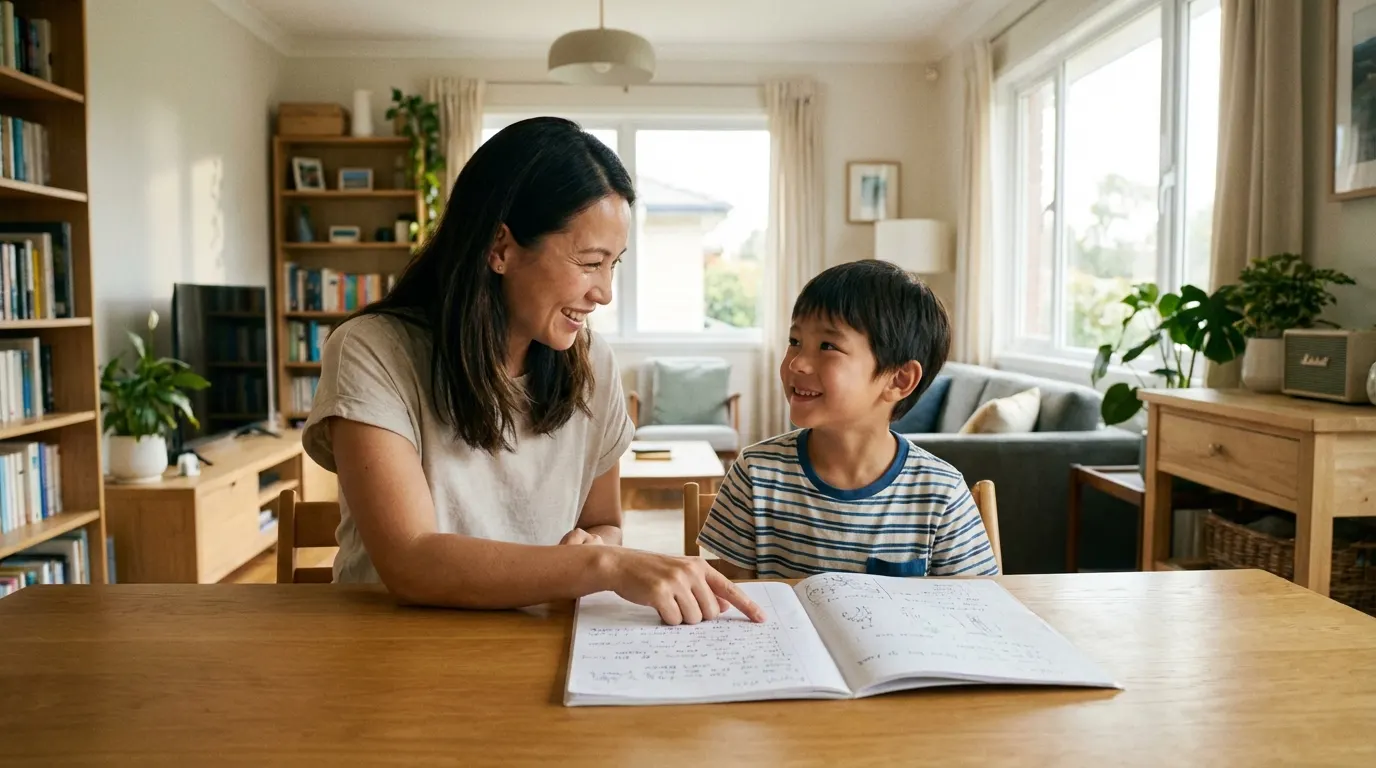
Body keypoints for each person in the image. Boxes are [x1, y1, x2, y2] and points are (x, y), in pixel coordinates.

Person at [302, 116, 764, 626]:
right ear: (500, 248)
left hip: (535, 637)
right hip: (393, 644)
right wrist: (600, 564)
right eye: (589, 262)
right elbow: (410, 561)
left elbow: (603, 523)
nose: (604, 292)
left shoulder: (594, 363)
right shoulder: (372, 351)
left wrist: (597, 546)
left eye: (613, 264)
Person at [696, 260, 999, 579]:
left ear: (898, 380)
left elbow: (975, 604)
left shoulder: (941, 492)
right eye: (795, 341)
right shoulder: (755, 473)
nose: (797, 364)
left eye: (827, 346)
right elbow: (733, 598)